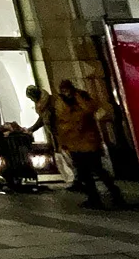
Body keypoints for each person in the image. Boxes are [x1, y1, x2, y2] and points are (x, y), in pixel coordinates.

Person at [31, 78, 124, 208]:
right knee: (85, 173)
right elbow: (57, 123)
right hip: (74, 143)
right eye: (63, 90)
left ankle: (112, 195)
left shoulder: (80, 98)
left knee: (97, 170)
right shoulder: (59, 102)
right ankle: (95, 198)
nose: (66, 92)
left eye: (67, 89)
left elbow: (88, 112)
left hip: (87, 141)